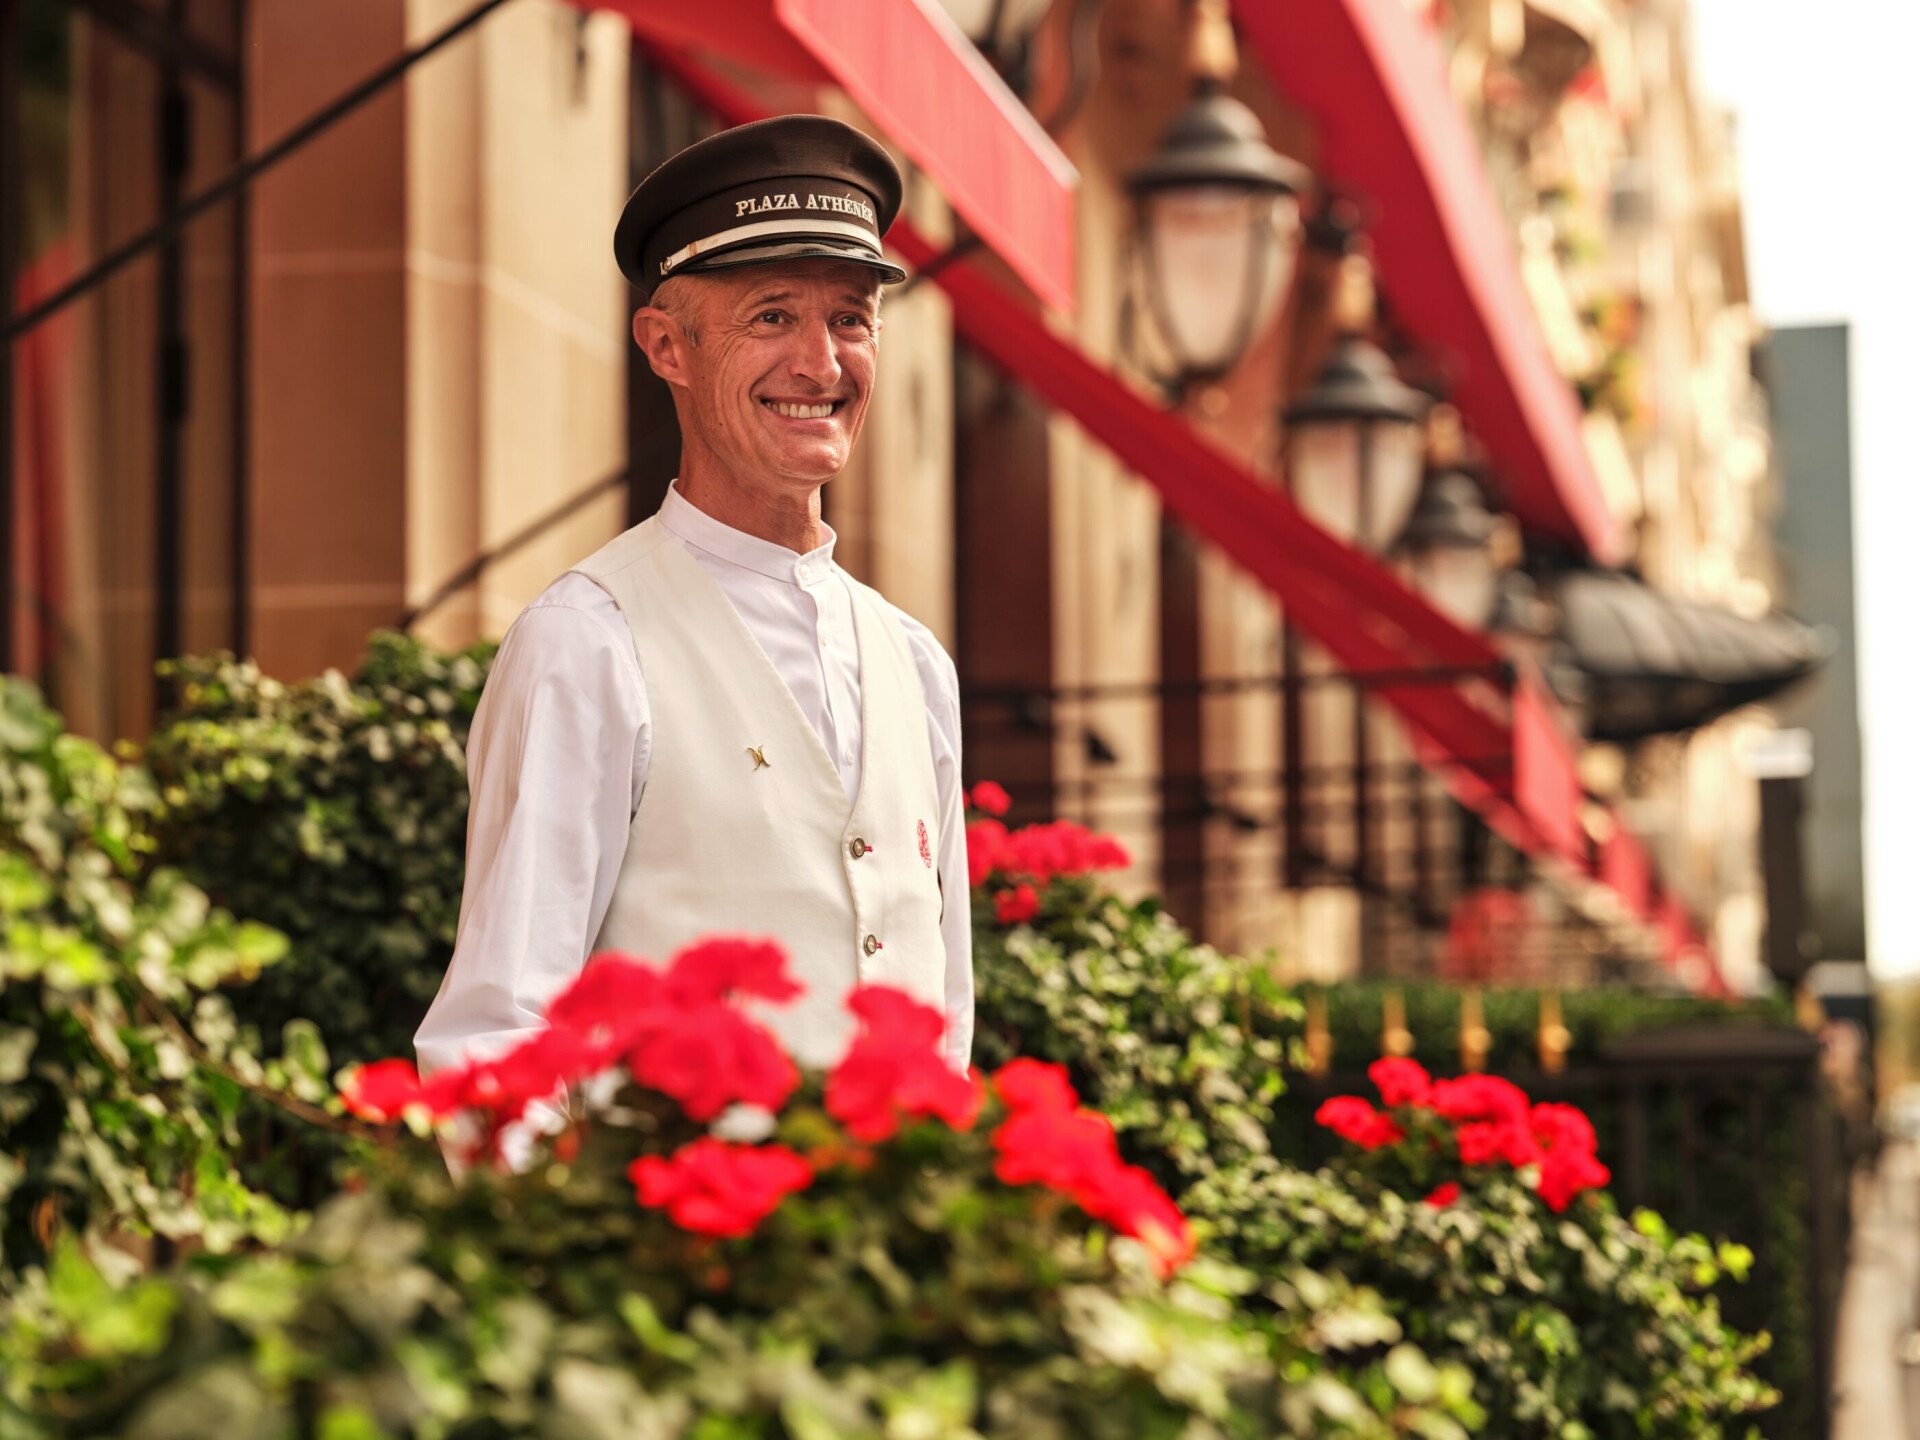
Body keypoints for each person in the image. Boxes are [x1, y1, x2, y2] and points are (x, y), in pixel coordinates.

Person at [414, 115, 972, 1120]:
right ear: (667, 346)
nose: (822, 364)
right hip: (672, 1263)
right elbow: (498, 1031)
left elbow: (948, 1019)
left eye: (850, 318)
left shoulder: (915, 662)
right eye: (771, 318)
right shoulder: (586, 640)